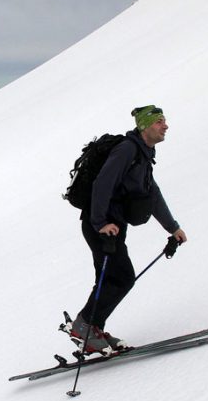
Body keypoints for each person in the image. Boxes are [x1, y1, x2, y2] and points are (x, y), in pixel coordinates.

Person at [70, 105, 187, 355]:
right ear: (145, 125)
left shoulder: (143, 155)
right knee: (121, 277)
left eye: (164, 121)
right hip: (100, 225)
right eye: (159, 122)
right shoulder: (127, 150)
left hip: (112, 226)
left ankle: (94, 329)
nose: (165, 126)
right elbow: (102, 183)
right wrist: (101, 222)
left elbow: (152, 194)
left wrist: (173, 227)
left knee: (112, 278)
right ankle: (84, 327)